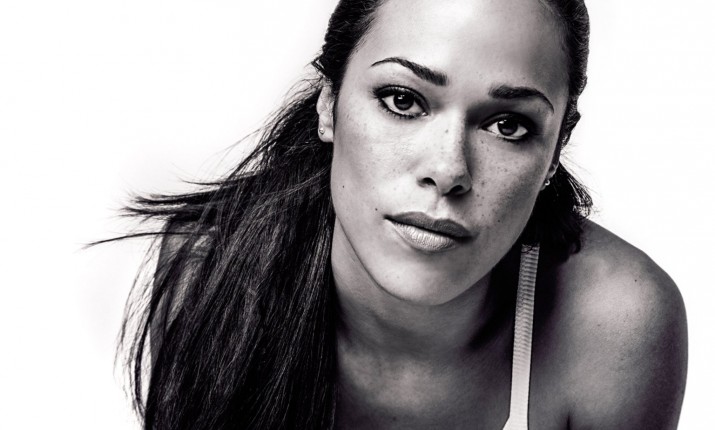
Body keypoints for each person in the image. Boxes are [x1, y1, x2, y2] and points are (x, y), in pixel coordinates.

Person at [119, 0, 688, 428]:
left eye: (507, 125)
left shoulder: (614, 326)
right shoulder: (212, 269)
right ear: (328, 103)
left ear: (556, 148)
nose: (448, 169)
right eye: (403, 100)